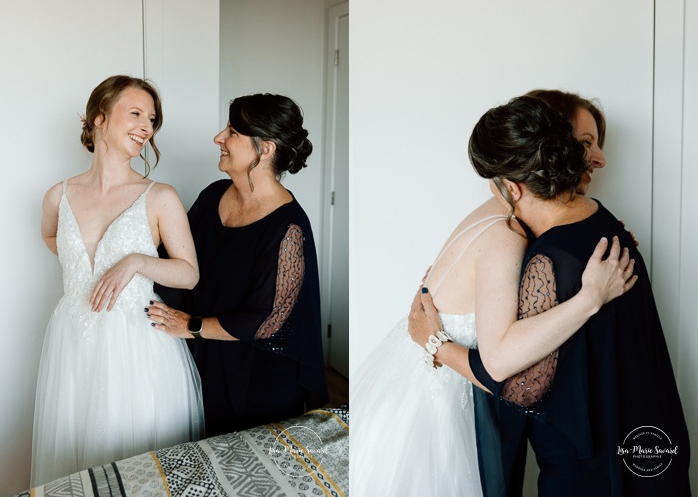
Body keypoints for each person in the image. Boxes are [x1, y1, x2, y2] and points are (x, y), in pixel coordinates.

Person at [349, 94, 638, 496]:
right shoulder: (507, 235)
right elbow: (501, 362)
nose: (591, 158)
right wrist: (589, 297)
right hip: (440, 396)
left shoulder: (521, 221)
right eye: (583, 143)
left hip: (455, 385)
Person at [411, 95, 691, 495]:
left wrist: (434, 343)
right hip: (650, 438)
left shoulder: (548, 260)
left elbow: (523, 386)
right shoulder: (600, 217)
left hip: (592, 465)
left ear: (510, 186)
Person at [31, 75, 204, 487]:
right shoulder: (59, 195)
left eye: (152, 119)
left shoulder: (159, 196)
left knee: (136, 466)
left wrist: (135, 262)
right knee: (76, 466)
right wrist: (84, 270)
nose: (146, 126)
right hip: (72, 343)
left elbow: (189, 273)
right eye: (136, 114)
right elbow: (52, 236)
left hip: (136, 347)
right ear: (99, 118)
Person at [150, 93, 328, 437]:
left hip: (259, 381)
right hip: (203, 363)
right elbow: (175, 264)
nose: (219, 138)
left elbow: (267, 320)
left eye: (232, 132)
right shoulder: (212, 195)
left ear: (266, 148)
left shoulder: (288, 227)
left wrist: (191, 325)